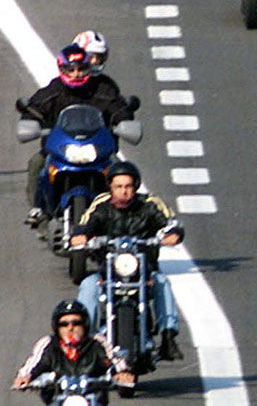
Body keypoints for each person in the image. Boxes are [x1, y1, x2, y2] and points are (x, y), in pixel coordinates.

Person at [72, 162, 184, 362]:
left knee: (162, 283)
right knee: (88, 285)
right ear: (110, 187)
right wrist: (81, 236)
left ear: (136, 186)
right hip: (108, 271)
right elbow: (85, 224)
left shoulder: (150, 204)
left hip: (144, 270)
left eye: (128, 186)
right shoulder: (101, 204)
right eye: (118, 187)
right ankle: (82, 341)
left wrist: (172, 233)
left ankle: (168, 338)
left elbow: (170, 222)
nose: (123, 192)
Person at [23, 43, 135, 227]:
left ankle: (123, 211)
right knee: (36, 163)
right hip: (60, 149)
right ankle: (39, 210)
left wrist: (124, 121)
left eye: (81, 69)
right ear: (62, 69)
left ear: (88, 67)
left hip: (97, 150)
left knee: (120, 170)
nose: (76, 74)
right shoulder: (54, 91)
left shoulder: (102, 89)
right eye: (70, 69)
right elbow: (34, 108)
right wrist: (30, 121)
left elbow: (118, 108)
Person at [12, 300, 132, 402]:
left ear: (84, 324)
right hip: (58, 398)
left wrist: (121, 373)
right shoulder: (48, 344)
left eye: (76, 323)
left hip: (91, 398)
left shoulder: (96, 342)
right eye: (64, 324)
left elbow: (114, 360)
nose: (70, 328)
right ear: (57, 327)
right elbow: (33, 364)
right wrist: (24, 377)